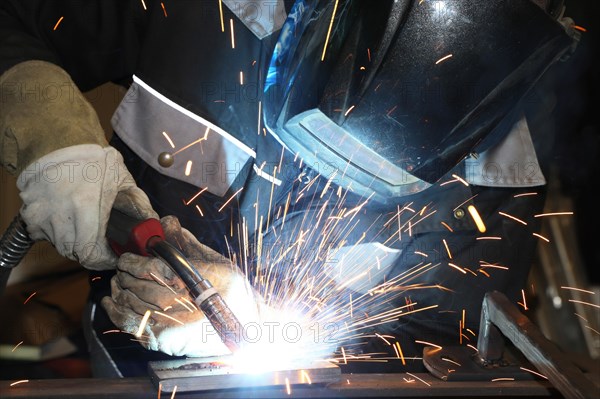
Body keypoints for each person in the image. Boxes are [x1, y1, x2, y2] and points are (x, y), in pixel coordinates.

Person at [0, 0, 579, 377]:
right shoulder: (198, 14)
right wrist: (53, 142)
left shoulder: (502, 174)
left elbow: (441, 352)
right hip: (121, 366)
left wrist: (282, 335)